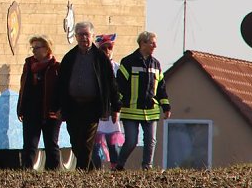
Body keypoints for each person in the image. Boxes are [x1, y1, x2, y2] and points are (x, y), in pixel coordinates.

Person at [57, 20, 120, 170]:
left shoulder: (100, 58)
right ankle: (90, 170)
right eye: (80, 35)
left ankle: (81, 171)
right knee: (75, 141)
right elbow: (60, 84)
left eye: (86, 35)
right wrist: (57, 106)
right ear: (76, 37)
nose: (84, 38)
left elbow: (111, 83)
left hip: (92, 106)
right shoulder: (69, 58)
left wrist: (116, 107)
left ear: (92, 36)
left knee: (86, 141)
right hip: (72, 105)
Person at [116, 31, 171, 170]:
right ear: (143, 43)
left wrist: (166, 106)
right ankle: (119, 165)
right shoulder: (128, 62)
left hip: (151, 111)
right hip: (131, 110)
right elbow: (120, 85)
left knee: (151, 141)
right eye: (152, 43)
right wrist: (117, 105)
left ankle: (147, 167)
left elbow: (161, 88)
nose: (155, 46)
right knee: (131, 141)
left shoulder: (156, 64)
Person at [17, 35, 61, 170]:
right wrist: (20, 108)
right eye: (33, 47)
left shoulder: (56, 67)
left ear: (47, 48)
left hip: (51, 113)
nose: (34, 51)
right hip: (31, 111)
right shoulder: (29, 65)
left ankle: (53, 174)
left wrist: (60, 109)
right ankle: (26, 172)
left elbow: (61, 90)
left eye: (37, 47)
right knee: (29, 146)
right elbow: (23, 88)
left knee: (51, 145)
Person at [93, 34, 124, 170]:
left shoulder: (117, 68)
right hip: (97, 110)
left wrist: (117, 107)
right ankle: (96, 169)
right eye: (104, 48)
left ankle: (115, 169)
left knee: (113, 142)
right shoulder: (94, 67)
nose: (107, 50)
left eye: (109, 47)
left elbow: (120, 89)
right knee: (96, 143)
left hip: (112, 111)